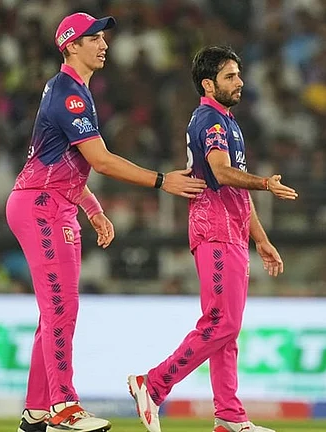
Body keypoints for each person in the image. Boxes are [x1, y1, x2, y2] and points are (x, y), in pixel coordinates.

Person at [7, 12, 206, 432]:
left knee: (53, 312)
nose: (103, 43)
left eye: (103, 37)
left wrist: (93, 208)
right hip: (42, 205)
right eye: (93, 37)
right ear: (70, 45)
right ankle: (63, 406)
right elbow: (98, 160)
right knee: (62, 307)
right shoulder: (70, 95)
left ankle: (37, 410)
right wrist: (160, 180)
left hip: (52, 201)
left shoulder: (74, 90)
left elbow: (63, 164)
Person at [126, 46, 298, 432]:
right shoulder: (211, 121)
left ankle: (229, 417)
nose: (240, 82)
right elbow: (221, 173)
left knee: (228, 329)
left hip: (233, 230)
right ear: (208, 84)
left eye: (238, 74)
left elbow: (237, 188)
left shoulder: (227, 121)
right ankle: (151, 385)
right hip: (215, 229)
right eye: (230, 76)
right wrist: (266, 183)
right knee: (220, 323)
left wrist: (261, 239)